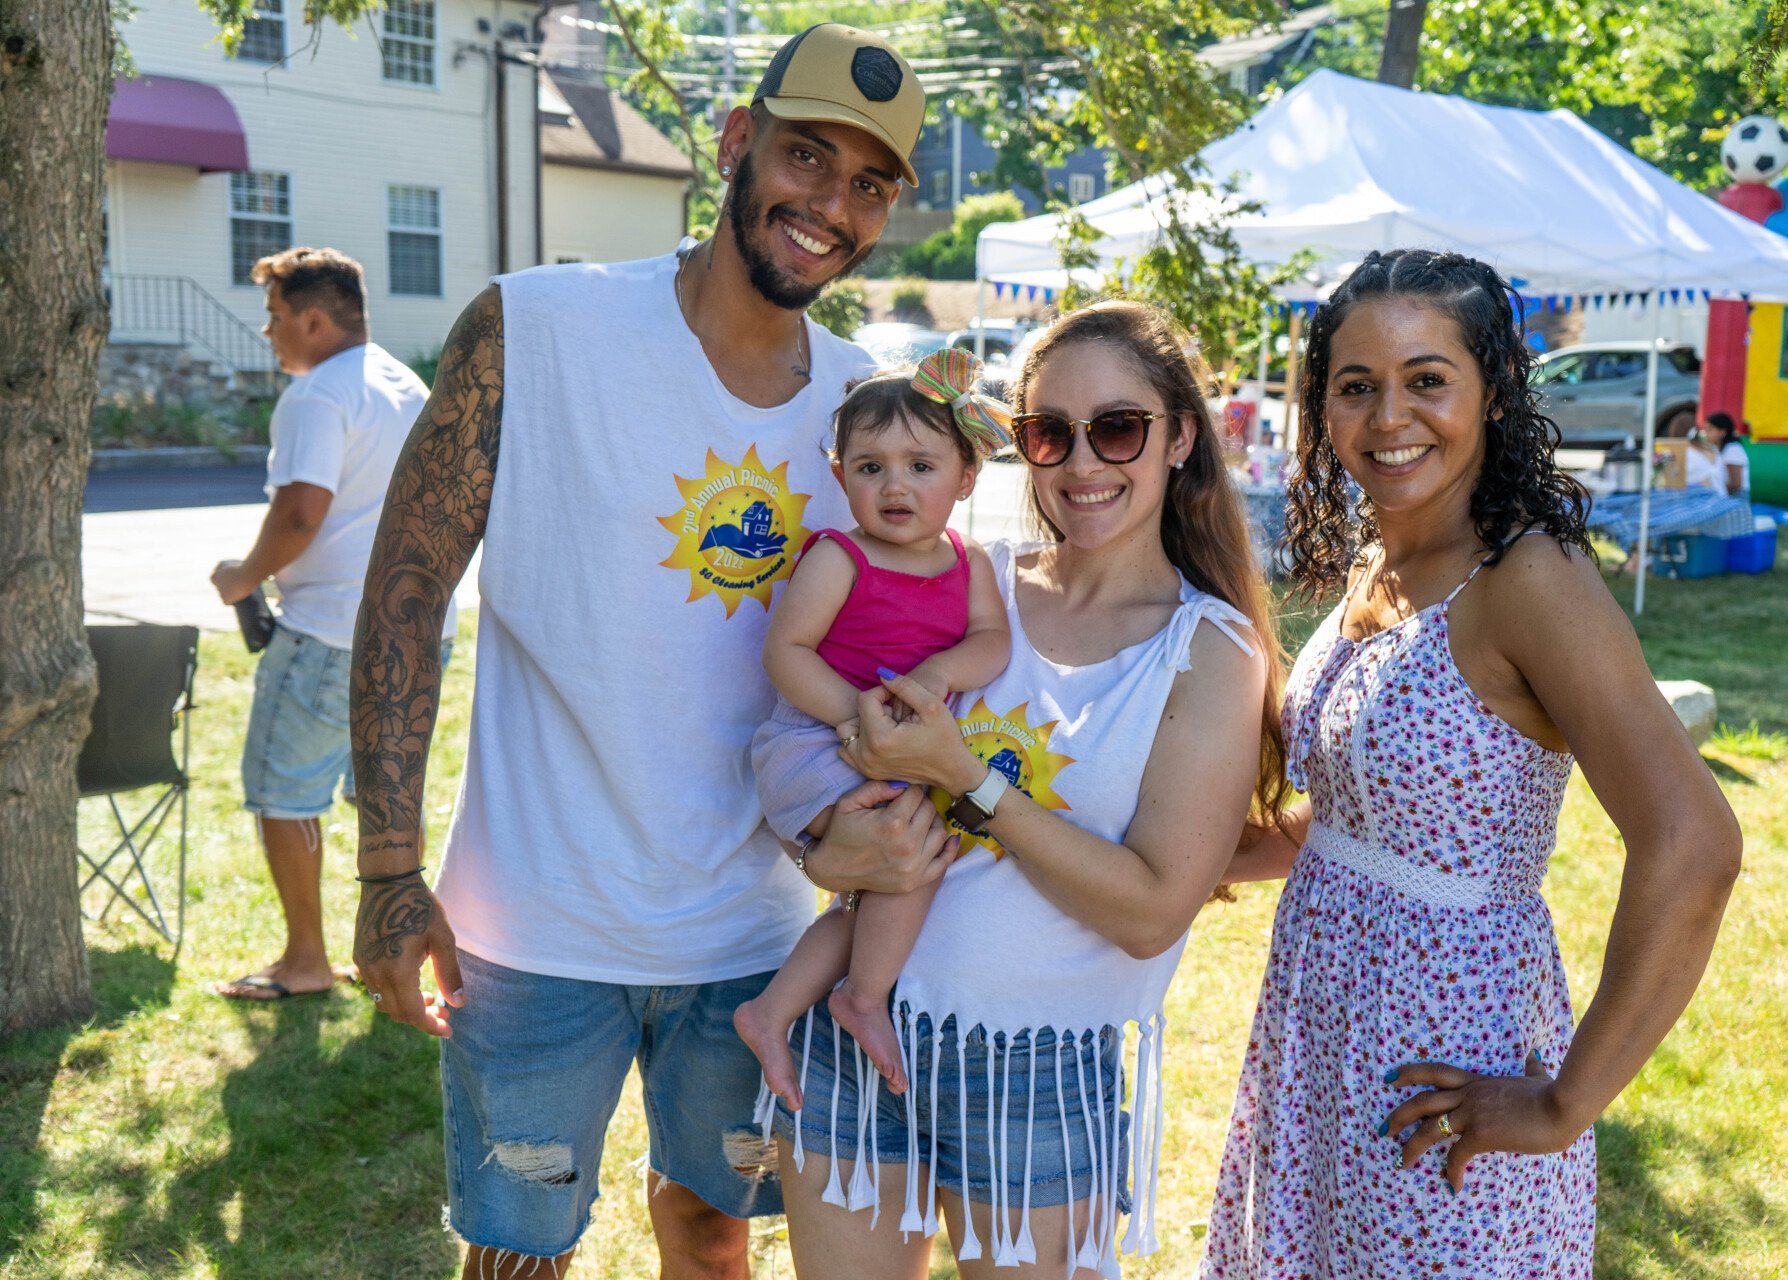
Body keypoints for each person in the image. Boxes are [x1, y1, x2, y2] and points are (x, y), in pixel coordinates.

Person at [346, 26, 946, 1280]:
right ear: (736, 144)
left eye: (869, 184)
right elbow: (406, 595)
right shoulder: (537, 326)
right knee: (519, 1255)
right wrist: (389, 872)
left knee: (714, 1238)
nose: (830, 205)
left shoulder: (869, 419)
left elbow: (907, 655)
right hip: (534, 928)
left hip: (752, 936)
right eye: (805, 156)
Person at [1201, 249, 1741, 1279]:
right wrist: (1172, 861)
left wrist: (1562, 1101)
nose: (1389, 414)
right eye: (1356, 386)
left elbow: (1695, 841)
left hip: (1441, 1059)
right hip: (1320, 1031)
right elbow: (1368, 815)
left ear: (1493, 392)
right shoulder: (1382, 553)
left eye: (1427, 379)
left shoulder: (1527, 575)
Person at [769, 301, 1289, 1280]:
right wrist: (820, 847)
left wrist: (964, 779)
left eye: (1119, 428)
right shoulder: (967, 581)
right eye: (1051, 433)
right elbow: (821, 742)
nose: (1084, 463)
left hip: (1035, 1069)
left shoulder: (1209, 648)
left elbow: (1149, 909)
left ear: (1181, 436)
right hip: (856, 1018)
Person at [736, 349, 1013, 1106]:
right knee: (910, 844)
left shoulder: (969, 563)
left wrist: (940, 674)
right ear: (840, 477)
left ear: (965, 478)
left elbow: (992, 642)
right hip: (814, 741)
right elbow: (784, 652)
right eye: (870, 467)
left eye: (921, 466)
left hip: (892, 749)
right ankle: (863, 997)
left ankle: (772, 1012)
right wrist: (857, 722)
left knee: (892, 873)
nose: (895, 485)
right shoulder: (840, 558)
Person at [210, 246, 453, 1002]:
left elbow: (300, 512)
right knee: (385, 803)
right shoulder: (404, 384)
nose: (269, 331)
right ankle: (396, 948)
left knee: (285, 796)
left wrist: (239, 579)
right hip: (412, 631)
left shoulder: (318, 395)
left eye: (276, 317)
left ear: (314, 319)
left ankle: (306, 962)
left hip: (326, 634)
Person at [1700, 411, 1750, 499]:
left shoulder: (1732, 449)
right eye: (1705, 430)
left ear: (1722, 432)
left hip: (1736, 498)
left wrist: (1712, 488)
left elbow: (1736, 484)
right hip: (1725, 495)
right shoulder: (1716, 449)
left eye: (1710, 430)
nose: (1706, 434)